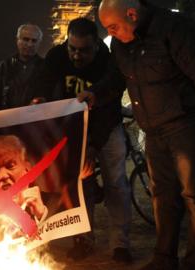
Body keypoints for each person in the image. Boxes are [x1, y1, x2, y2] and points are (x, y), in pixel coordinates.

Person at [88, 1, 195, 269]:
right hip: (154, 132)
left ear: (132, 14)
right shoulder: (121, 45)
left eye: (114, 27)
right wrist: (96, 93)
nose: (112, 34)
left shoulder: (175, 30)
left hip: (188, 126)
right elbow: (118, 79)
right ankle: (164, 258)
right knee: (162, 196)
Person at [34, 17, 132, 263]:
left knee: (116, 183)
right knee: (81, 186)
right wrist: (39, 99)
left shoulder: (108, 62)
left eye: (84, 50)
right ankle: (83, 239)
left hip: (106, 127)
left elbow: (109, 108)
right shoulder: (57, 56)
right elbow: (42, 83)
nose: (76, 56)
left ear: (96, 45)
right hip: (74, 129)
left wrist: (93, 145)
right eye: (72, 49)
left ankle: (120, 243)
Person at [0, 23, 44, 109]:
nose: (30, 44)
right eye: (26, 39)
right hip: (8, 118)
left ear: (39, 43)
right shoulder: (5, 66)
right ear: (17, 40)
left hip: (35, 119)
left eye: (34, 41)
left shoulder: (45, 67)